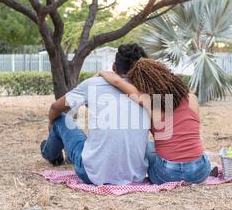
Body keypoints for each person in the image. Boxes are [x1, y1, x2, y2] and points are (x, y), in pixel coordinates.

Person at [40, 44, 150, 185]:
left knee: (59, 119)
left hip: (92, 174)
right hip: (135, 175)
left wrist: (51, 122)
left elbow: (55, 107)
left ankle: (50, 154)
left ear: (114, 67)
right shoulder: (148, 91)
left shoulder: (94, 84)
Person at [99, 58, 212, 184]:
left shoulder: (151, 103)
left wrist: (102, 73)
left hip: (167, 174)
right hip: (199, 171)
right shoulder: (192, 99)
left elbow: (116, 81)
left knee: (146, 147)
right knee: (155, 147)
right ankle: (197, 175)